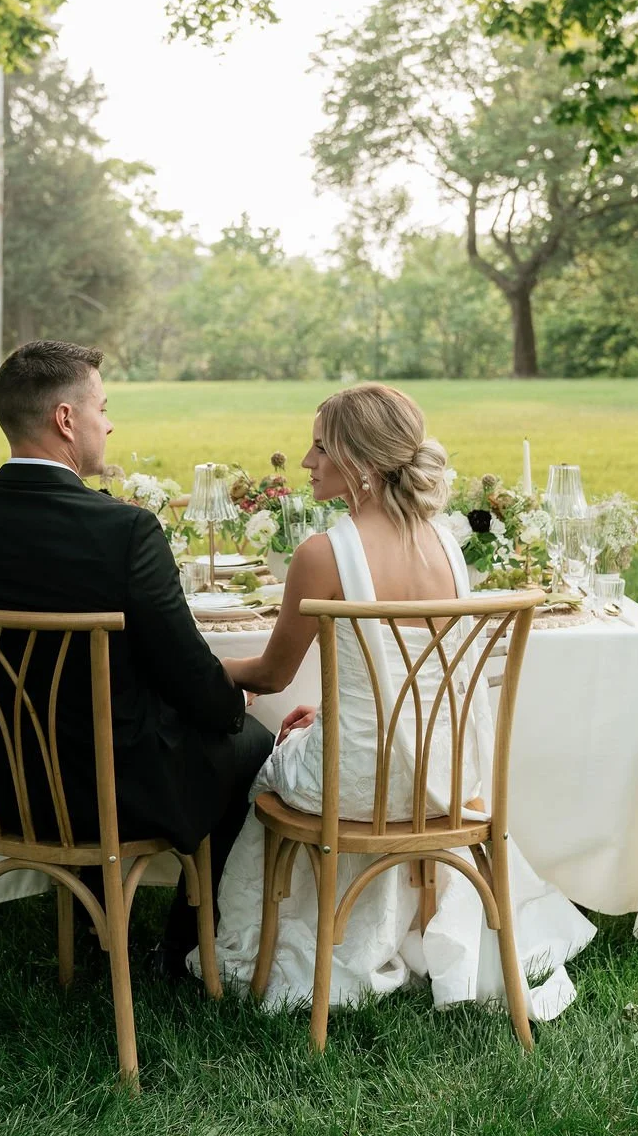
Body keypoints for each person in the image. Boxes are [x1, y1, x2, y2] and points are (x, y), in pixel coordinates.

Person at [195, 381, 595, 1018]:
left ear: (359, 463)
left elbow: (270, 677)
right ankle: (409, 927)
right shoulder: (448, 544)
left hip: (358, 784)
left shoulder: (321, 553)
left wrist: (202, 667)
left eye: (319, 447)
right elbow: (420, 678)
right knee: (312, 740)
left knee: (266, 763)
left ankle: (287, 946)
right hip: (442, 777)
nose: (305, 462)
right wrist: (336, 711)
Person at [0, 340, 272, 977]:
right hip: (113, 795)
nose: (109, 421)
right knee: (251, 742)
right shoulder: (126, 531)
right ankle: (185, 945)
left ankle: (100, 920)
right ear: (66, 420)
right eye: (102, 406)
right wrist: (229, 698)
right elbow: (197, 686)